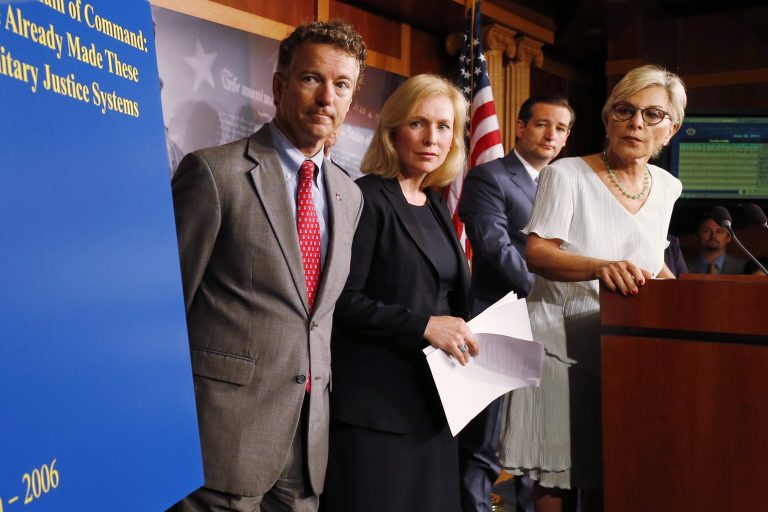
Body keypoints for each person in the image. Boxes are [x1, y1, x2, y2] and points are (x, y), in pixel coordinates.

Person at [168, 20, 366, 512]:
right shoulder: (214, 173)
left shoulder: (350, 194)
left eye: (341, 86)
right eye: (311, 79)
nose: (327, 98)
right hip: (222, 439)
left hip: (305, 450)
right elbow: (169, 311)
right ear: (279, 85)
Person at [498, 64, 687, 512]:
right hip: (559, 340)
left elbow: (650, 259)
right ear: (608, 119)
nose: (636, 123)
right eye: (625, 110)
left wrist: (685, 300)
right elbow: (538, 253)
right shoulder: (566, 175)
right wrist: (600, 267)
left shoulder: (668, 187)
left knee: (615, 464)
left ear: (671, 128)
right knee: (555, 473)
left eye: (652, 115)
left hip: (626, 347)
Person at [321, 74, 477, 512]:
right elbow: (342, 301)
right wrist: (423, 326)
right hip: (377, 414)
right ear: (393, 132)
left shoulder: (435, 205)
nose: (433, 138)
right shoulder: (366, 198)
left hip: (434, 409)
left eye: (444, 126)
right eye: (419, 123)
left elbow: (446, 297)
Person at [457, 94, 574, 512]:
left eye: (561, 128)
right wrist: (548, 292)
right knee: (484, 445)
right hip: (500, 320)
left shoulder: (564, 185)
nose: (551, 134)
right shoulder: (490, 177)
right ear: (520, 127)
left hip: (552, 329)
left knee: (535, 444)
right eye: (543, 124)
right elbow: (494, 247)